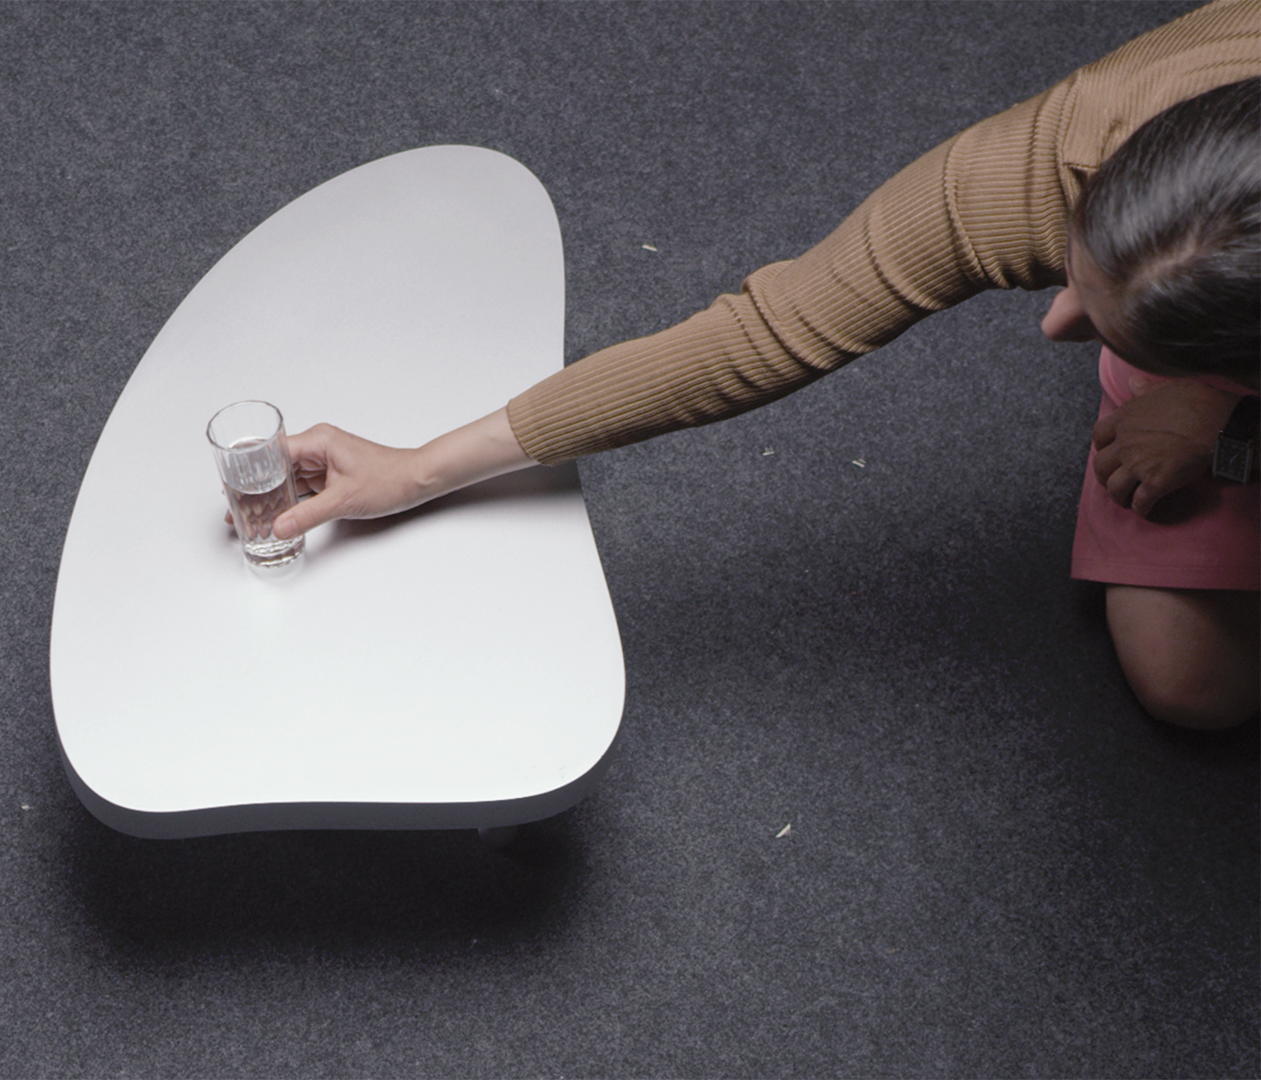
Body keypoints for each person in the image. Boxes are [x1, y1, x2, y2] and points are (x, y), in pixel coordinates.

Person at [265, 0, 1261, 729]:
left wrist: (1225, 431)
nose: (1055, 327)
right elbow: (765, 332)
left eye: (1101, 325)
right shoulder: (1047, 162)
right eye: (1073, 271)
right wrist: (420, 467)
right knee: (1190, 688)